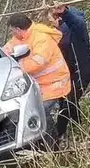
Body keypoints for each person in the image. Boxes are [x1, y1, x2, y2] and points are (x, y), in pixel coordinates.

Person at [4, 13, 71, 149]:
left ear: (18, 29)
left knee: (39, 110)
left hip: (55, 84)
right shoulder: (23, 37)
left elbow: (37, 63)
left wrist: (16, 68)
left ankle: (53, 144)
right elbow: (8, 49)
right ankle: (43, 141)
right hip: (39, 86)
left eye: (12, 30)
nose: (12, 33)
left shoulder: (41, 38)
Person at [48, 4, 90, 139]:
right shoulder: (57, 32)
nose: (50, 23)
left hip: (81, 70)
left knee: (67, 102)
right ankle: (79, 126)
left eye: (51, 20)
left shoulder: (74, 29)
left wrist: (65, 12)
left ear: (58, 18)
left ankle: (57, 136)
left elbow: (78, 23)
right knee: (68, 100)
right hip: (66, 74)